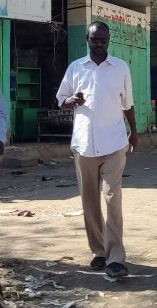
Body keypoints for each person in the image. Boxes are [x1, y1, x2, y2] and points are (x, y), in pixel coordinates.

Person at [56, 21, 139, 281]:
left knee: (113, 198)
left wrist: (133, 131)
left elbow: (128, 104)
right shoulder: (75, 68)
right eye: (95, 39)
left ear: (109, 40)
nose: (99, 43)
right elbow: (61, 100)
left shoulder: (120, 68)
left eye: (103, 39)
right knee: (89, 201)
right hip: (84, 144)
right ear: (87, 40)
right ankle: (99, 251)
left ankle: (116, 258)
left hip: (114, 143)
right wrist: (71, 101)